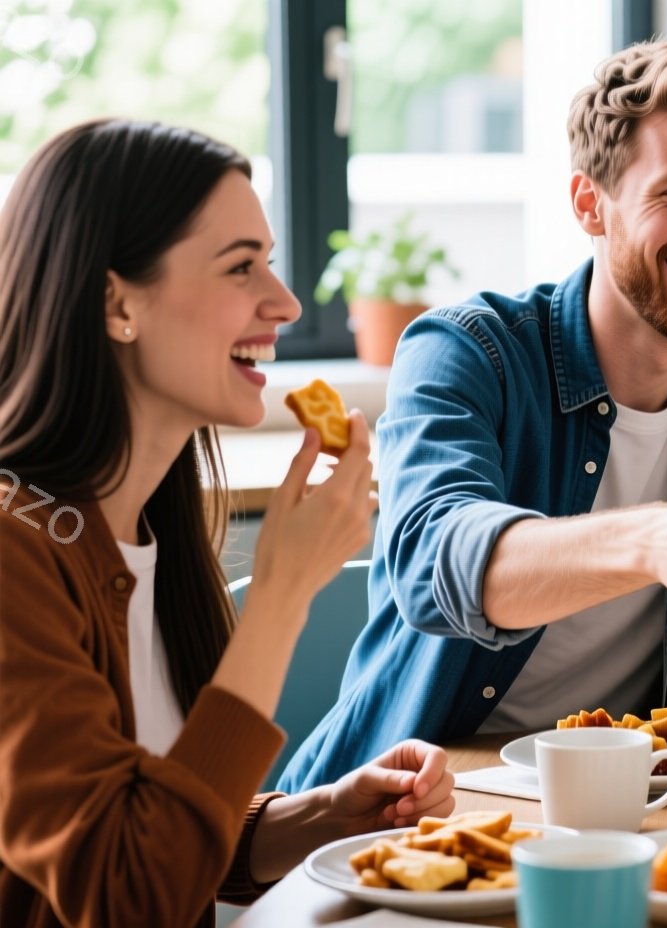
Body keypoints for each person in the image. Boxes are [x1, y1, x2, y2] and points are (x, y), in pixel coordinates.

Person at [278, 41, 667, 792]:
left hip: (639, 799)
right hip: (415, 797)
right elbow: (434, 563)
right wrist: (654, 539)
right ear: (590, 204)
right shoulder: (465, 353)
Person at [0, 119, 455, 928]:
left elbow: (157, 822)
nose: (285, 303)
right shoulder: (15, 558)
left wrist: (317, 817)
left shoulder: (151, 532)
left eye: (269, 262)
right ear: (117, 303)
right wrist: (281, 595)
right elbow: (129, 893)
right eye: (241, 267)